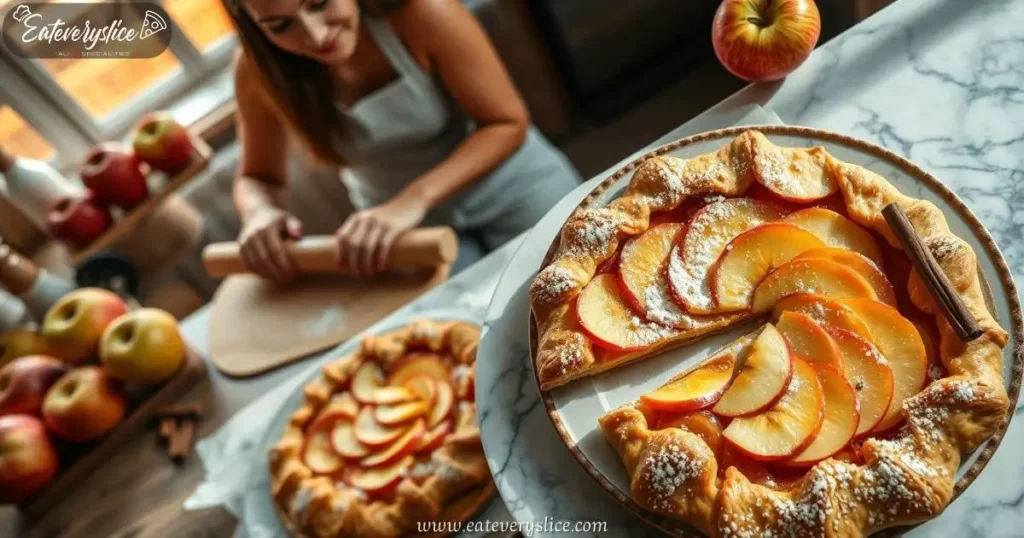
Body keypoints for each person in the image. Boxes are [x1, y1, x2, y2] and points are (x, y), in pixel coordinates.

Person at [224, 0, 580, 281]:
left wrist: (413, 199)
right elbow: (256, 178)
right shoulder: (256, 71)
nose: (316, 36)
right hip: (401, 232)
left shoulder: (423, 11)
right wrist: (259, 212)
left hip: (511, 183)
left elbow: (507, 123)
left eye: (319, 3)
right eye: (281, 26)